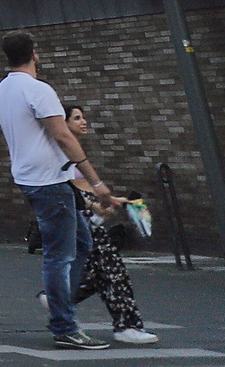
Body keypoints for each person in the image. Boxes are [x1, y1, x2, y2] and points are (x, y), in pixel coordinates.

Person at [0, 33, 117, 350]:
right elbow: (63, 136)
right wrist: (96, 182)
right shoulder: (37, 89)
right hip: (49, 181)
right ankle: (64, 326)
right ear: (34, 54)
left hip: (36, 178)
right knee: (60, 256)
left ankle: (59, 303)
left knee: (82, 243)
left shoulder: (2, 89)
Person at [63, 106, 156, 344]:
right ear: (63, 123)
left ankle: (59, 297)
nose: (84, 122)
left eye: (83, 117)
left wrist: (114, 201)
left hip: (84, 219)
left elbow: (84, 188)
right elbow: (67, 187)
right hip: (80, 220)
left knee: (103, 274)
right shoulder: (63, 152)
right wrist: (94, 205)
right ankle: (126, 326)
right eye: (77, 118)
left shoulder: (71, 150)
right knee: (113, 273)